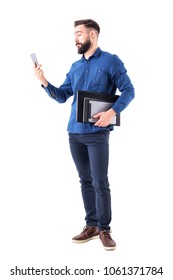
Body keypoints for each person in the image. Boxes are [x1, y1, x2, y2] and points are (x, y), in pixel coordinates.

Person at [33, 19, 135, 251]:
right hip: (74, 133)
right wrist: (44, 82)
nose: (75, 38)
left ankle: (105, 229)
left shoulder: (111, 61)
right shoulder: (75, 66)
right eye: (74, 34)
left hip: (97, 133)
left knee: (101, 181)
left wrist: (112, 112)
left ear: (93, 35)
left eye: (79, 34)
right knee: (85, 181)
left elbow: (129, 90)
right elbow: (62, 96)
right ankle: (91, 226)